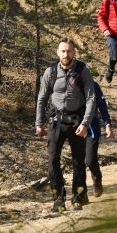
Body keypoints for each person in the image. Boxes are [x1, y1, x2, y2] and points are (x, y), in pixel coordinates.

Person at [35, 38, 96, 212]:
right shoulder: (51, 72)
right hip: (56, 121)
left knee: (78, 160)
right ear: (58, 52)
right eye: (63, 51)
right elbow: (42, 98)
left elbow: (91, 98)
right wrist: (39, 123)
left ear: (74, 53)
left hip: (77, 121)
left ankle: (78, 197)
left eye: (69, 51)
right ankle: (58, 200)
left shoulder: (82, 70)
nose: (66, 54)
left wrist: (85, 123)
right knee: (53, 161)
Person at [85, 80, 112, 197]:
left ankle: (97, 180)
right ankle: (80, 192)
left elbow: (102, 104)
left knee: (89, 160)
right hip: (74, 127)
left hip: (92, 127)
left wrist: (107, 124)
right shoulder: (66, 83)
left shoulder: (92, 85)